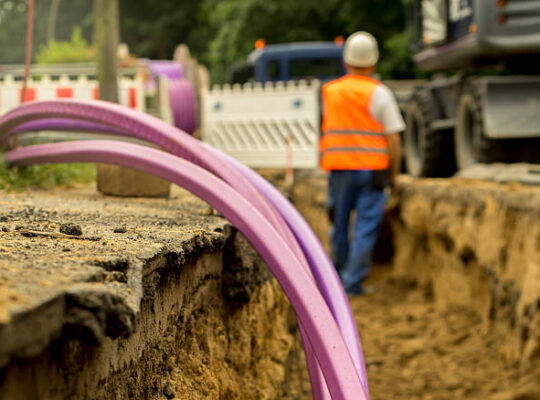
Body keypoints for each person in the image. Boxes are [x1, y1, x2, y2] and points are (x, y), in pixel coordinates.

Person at [320, 31, 405, 295]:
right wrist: (395, 175)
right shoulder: (379, 94)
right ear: (374, 63)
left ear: (346, 61)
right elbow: (393, 139)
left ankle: (336, 281)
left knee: (340, 226)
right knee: (365, 228)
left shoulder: (330, 92)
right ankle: (351, 283)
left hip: (339, 169)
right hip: (373, 170)